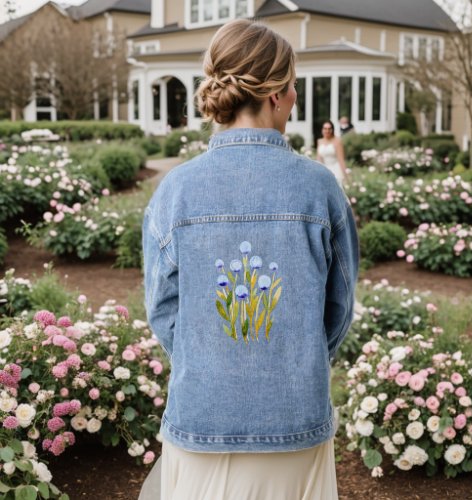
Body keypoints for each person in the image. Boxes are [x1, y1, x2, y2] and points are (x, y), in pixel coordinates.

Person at [141, 19, 358, 500]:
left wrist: (211, 361)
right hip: (294, 417)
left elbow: (163, 309)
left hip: (202, 414)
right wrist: (294, 358)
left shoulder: (175, 190)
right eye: (295, 85)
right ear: (278, 94)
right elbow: (339, 309)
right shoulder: (319, 187)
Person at [316, 120, 349, 185]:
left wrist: (346, 177)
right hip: (324, 170)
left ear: (332, 130)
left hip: (336, 171)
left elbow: (341, 160)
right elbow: (319, 159)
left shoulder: (337, 141)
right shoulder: (319, 141)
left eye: (329, 129)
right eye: (325, 128)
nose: (327, 131)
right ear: (322, 130)